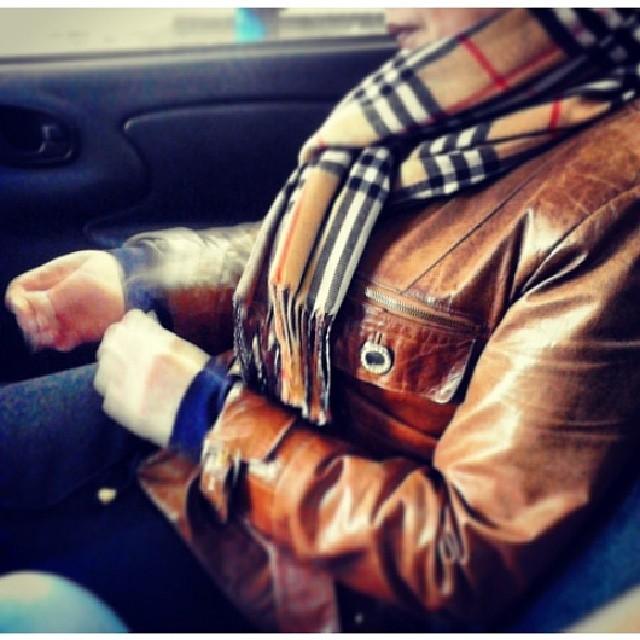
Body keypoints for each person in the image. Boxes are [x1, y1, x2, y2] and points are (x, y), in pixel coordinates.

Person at [2, 7, 640, 633]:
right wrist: (144, 286)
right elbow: (340, 256)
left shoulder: (608, 210)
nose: (389, 12)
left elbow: (459, 558)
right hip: (240, 420)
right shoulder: (461, 98)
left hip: (299, 566)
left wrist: (207, 417)